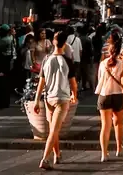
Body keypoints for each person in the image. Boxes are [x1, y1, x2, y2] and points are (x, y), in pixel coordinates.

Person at [34, 32, 77, 170]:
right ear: (65, 44)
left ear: (53, 42)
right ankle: (45, 159)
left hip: (49, 98)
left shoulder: (46, 59)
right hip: (62, 98)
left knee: (53, 129)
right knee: (54, 130)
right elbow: (73, 83)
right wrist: (74, 94)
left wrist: (36, 100)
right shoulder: (68, 61)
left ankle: (57, 155)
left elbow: (41, 82)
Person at [96, 30, 123, 162]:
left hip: (104, 95)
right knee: (119, 124)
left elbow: (99, 80)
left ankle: (104, 154)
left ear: (108, 51)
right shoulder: (122, 64)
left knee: (105, 125)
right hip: (118, 95)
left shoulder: (102, 64)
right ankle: (119, 148)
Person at [0, 24, 16, 109]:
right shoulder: (9, 38)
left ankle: (2, 102)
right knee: (4, 83)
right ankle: (3, 102)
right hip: (5, 62)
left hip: (2, 63)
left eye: (0, 30)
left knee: (1, 83)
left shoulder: (5, 39)